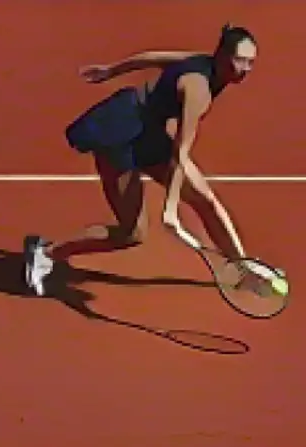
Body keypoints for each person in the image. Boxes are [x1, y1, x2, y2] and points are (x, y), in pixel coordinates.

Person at [24, 25, 257, 296]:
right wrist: (170, 209)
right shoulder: (199, 91)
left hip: (149, 132)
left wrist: (112, 71)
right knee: (131, 233)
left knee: (206, 200)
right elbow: (181, 152)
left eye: (251, 62)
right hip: (120, 131)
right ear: (222, 55)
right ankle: (45, 252)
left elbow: (153, 57)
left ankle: (244, 269)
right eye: (240, 60)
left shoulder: (202, 62)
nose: (245, 68)